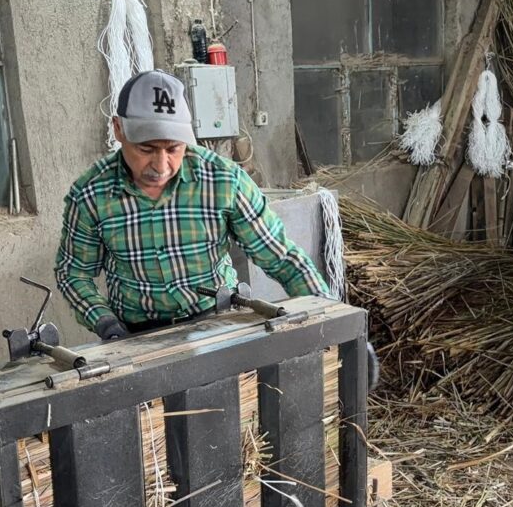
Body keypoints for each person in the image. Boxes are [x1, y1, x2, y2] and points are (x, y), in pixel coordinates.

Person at [55, 70, 331, 340]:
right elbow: (73, 273)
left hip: (219, 323)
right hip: (138, 335)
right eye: (146, 149)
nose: (161, 166)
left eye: (174, 148)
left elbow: (282, 259)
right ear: (119, 129)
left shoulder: (223, 181)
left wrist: (332, 320)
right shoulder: (91, 193)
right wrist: (104, 321)